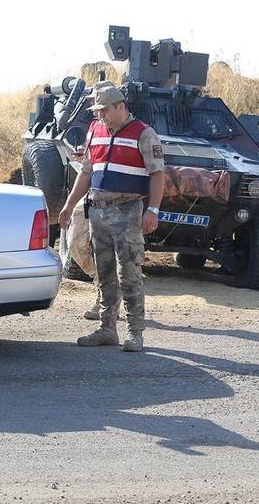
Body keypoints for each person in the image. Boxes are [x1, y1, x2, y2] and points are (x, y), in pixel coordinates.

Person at [57, 83, 165, 352]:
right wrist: (69, 206)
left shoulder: (144, 133)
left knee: (128, 272)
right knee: (105, 271)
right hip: (98, 210)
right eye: (98, 110)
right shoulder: (95, 129)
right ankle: (107, 329)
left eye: (105, 110)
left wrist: (152, 210)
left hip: (127, 210)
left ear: (120, 106)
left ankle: (135, 333)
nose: (100, 115)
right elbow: (86, 171)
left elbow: (157, 174)